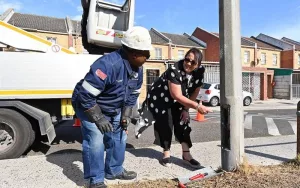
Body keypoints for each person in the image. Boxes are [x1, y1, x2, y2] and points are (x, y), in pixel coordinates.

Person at [71, 26, 152, 188]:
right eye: (146, 54)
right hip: (89, 106)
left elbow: (133, 94)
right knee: (96, 141)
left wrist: (126, 115)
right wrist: (99, 118)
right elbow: (85, 96)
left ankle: (114, 170)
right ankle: (96, 179)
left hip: (114, 107)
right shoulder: (108, 65)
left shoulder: (138, 68)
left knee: (119, 137)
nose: (148, 57)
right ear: (135, 53)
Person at [140, 48, 212, 169]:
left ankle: (186, 155)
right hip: (162, 99)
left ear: (198, 64)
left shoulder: (200, 72)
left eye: (193, 62)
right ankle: (166, 152)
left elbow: (195, 90)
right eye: (187, 59)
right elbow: (176, 95)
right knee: (165, 123)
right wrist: (197, 106)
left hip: (182, 97)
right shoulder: (174, 70)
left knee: (183, 123)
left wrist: (186, 109)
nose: (188, 63)